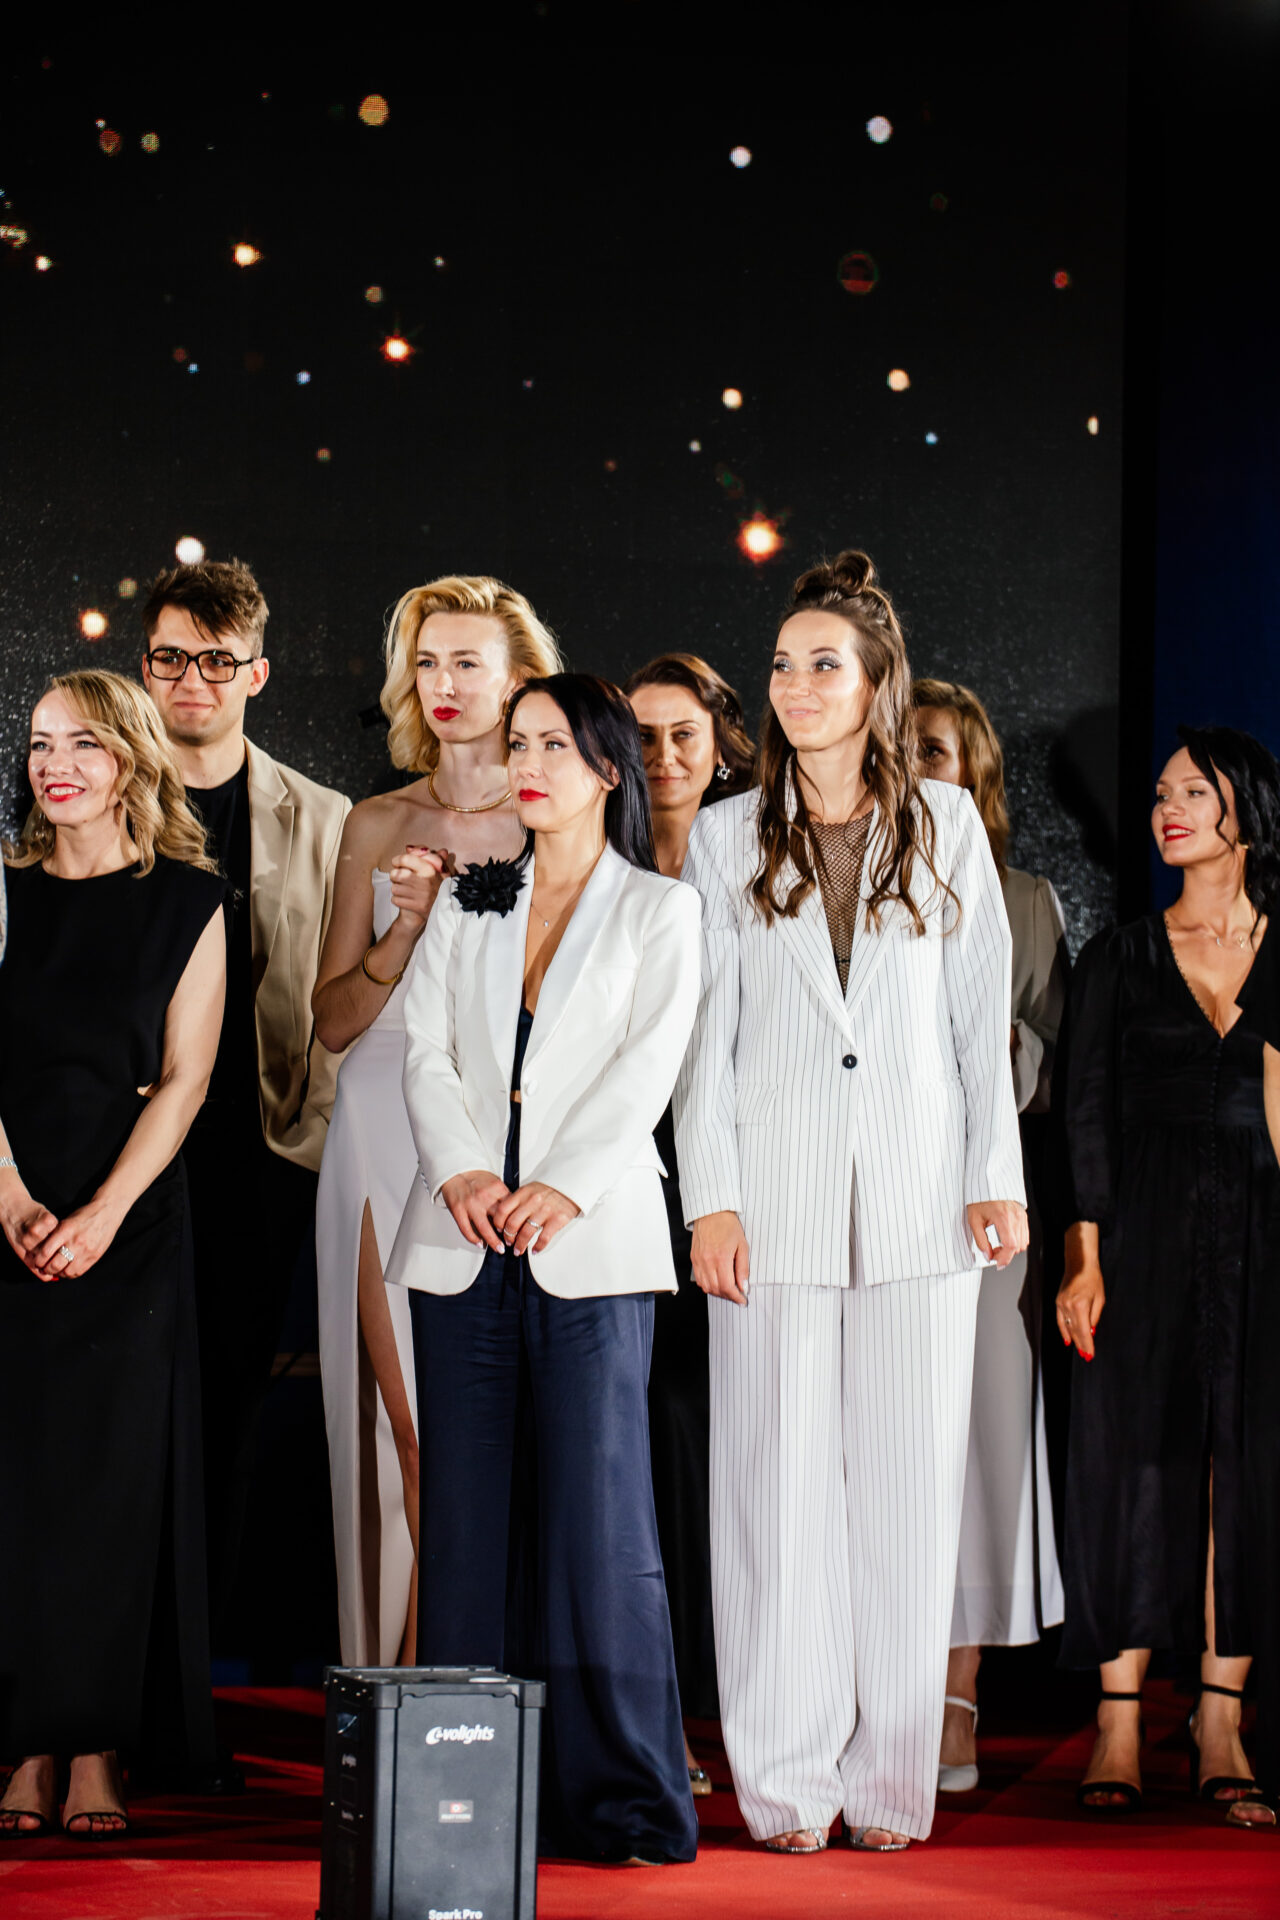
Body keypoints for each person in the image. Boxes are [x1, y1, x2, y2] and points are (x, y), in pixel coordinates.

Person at [675, 550, 1026, 1855]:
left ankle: (887, 1787)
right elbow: (701, 1044)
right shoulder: (724, 835)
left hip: (923, 1203)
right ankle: (783, 1784)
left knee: (903, 1501)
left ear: (877, 684)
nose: (797, 684)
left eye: (824, 663)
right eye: (783, 664)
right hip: (769, 1206)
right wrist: (710, 1201)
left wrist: (995, 1178)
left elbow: (978, 1022)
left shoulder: (944, 823)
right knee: (772, 1500)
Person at [384, 674, 701, 1865]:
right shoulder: (471, 898)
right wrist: (463, 1172)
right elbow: (423, 1050)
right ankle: (459, 1804)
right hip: (461, 1243)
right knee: (465, 1531)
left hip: (592, 1247)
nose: (526, 763)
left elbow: (648, 1066)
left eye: (552, 745)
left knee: (600, 1529)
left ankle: (623, 1801)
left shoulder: (659, 909)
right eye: (516, 743)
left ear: (609, 768)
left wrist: (561, 1185)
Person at [313, 575, 561, 1667]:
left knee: (498, 1441)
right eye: (426, 662)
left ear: (519, 680)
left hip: (507, 1138)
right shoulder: (375, 821)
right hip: (380, 1129)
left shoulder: (557, 817)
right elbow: (330, 1022)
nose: (443, 683)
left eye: (467, 661)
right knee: (414, 1430)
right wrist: (402, 933)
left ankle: (471, 1691)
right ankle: (423, 1697)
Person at [0, 671, 226, 1838]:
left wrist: (99, 1215)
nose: (56, 765)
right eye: (42, 744)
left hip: (129, 1220)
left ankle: (96, 1750)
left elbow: (185, 1080)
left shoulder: (189, 900)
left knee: (108, 1487)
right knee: (19, 1484)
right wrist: (10, 1197)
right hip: (5, 1207)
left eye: (83, 743)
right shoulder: (1, 890)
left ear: (132, 757)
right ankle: (25, 1745)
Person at [1058, 725, 1278, 1829]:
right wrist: (1082, 1257)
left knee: (1246, 1467)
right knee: (1128, 1463)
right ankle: (1116, 1719)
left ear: (1246, 809)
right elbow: (1084, 1114)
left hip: (1261, 1233)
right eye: (1158, 794)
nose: (1167, 810)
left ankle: (1219, 1720)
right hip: (1138, 1232)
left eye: (1193, 791)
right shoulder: (1119, 955)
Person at [140, 559, 350, 1658]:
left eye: (216, 662)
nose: (192, 681)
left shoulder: (324, 818)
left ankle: (192, 1675)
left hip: (259, 1157)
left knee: (227, 1408)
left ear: (256, 674)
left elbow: (342, 999)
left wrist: (311, 1141)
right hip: (124, 1156)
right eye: (172, 658)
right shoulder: (93, 796)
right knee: (123, 1408)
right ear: (145, 668)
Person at [913, 680, 1068, 1792]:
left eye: (939, 751)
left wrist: (991, 1050)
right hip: (860, 1205)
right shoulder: (836, 879)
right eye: (906, 749)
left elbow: (1059, 1073)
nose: (921, 768)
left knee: (974, 1447)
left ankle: (956, 1692)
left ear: (975, 773)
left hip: (980, 1216)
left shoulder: (1023, 900)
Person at [624, 651, 754, 1792]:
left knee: (740, 1452)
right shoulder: (593, 857)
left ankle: (750, 1715)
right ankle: (654, 1713)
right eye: (643, 734)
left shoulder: (758, 860)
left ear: (721, 748)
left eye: (684, 735)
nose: (663, 756)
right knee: (649, 1449)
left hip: (743, 1189)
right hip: (621, 1182)